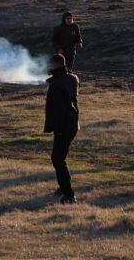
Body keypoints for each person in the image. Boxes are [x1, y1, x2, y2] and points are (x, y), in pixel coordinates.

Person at [43, 53, 80, 204]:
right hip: (72, 123)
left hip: (63, 125)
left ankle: (69, 194)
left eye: (49, 64)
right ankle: (63, 187)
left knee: (58, 159)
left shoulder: (56, 84)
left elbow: (59, 109)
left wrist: (57, 128)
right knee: (59, 158)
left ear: (54, 65)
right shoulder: (73, 78)